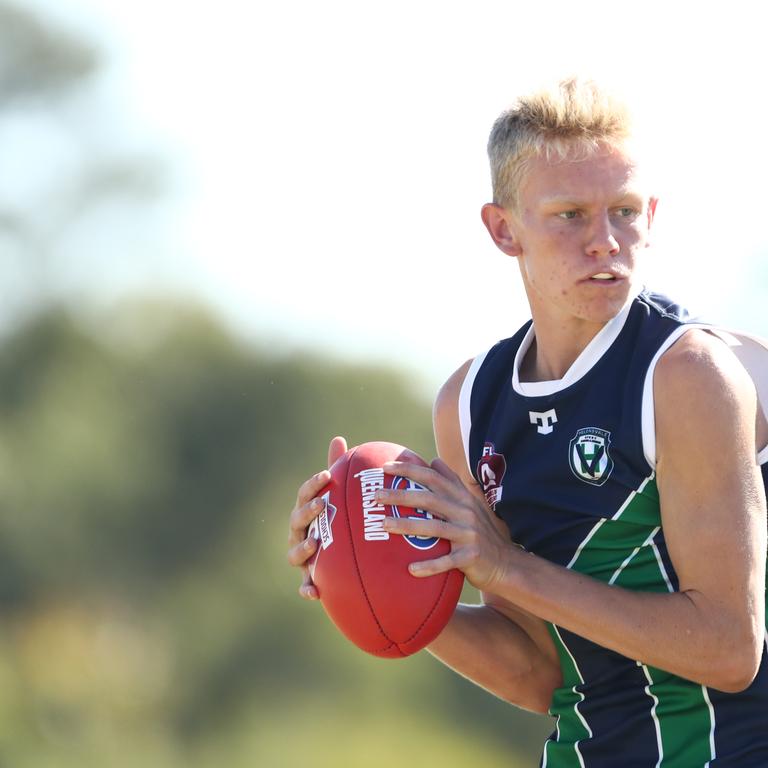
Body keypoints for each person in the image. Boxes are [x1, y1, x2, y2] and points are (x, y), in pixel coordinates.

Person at [287, 78, 768, 766]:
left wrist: (505, 565)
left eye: (625, 212)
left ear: (653, 215)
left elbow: (729, 648)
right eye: (570, 215)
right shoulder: (470, 402)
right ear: (502, 228)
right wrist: (368, 587)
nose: (605, 241)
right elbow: (542, 673)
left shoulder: (688, 376)